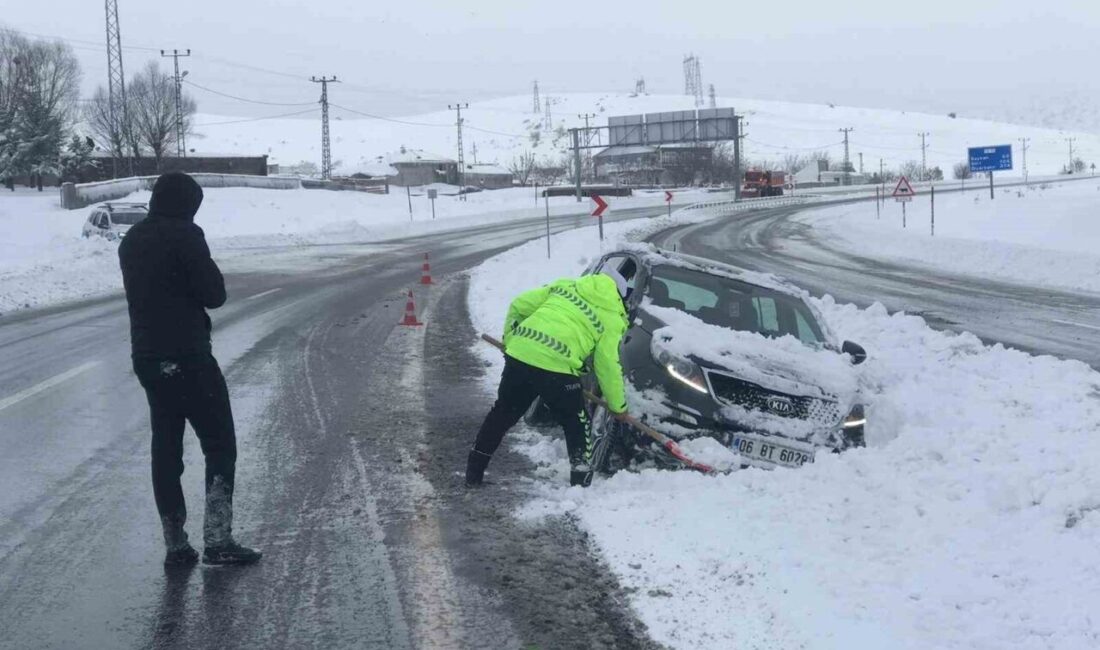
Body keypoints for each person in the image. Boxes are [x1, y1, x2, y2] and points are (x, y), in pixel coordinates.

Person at [119, 172, 261, 567]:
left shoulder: (133, 239)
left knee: (166, 450)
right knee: (219, 445)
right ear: (188, 203)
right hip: (189, 356)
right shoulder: (184, 235)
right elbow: (214, 294)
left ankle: (175, 544)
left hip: (148, 359)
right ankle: (218, 540)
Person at [466, 269, 631, 488]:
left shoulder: (564, 287)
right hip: (558, 368)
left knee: (503, 413)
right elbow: (607, 365)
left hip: (521, 357)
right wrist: (618, 406)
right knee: (576, 422)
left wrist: (511, 340)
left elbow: (518, 305)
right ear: (620, 296)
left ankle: (473, 473)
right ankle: (580, 484)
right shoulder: (612, 315)